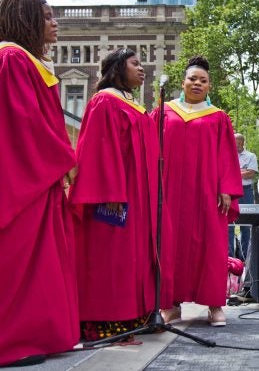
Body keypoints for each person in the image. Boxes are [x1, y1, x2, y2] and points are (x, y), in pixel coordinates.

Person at [69, 48, 175, 341]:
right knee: (112, 258)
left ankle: (136, 315)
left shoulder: (133, 105)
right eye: (135, 63)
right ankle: (108, 322)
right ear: (118, 67)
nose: (141, 69)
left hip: (140, 197)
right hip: (115, 198)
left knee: (135, 257)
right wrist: (110, 192)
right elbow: (97, 150)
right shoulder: (104, 101)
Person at [0, 0, 79, 367]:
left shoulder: (28, 61)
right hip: (22, 178)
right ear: (27, 20)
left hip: (41, 178)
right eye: (47, 17)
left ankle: (39, 334)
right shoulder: (11, 57)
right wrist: (65, 157)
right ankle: (9, 343)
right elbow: (22, 123)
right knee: (18, 261)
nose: (55, 22)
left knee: (42, 265)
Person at [151, 56, 242, 327]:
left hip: (206, 192)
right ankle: (172, 304)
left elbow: (227, 155)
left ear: (209, 86)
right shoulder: (163, 111)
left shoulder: (218, 118)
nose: (197, 83)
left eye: (203, 80)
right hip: (170, 191)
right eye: (192, 79)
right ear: (183, 82)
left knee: (211, 247)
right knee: (170, 245)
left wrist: (226, 188)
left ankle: (214, 305)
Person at [229, 133, 257, 261]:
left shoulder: (251, 156)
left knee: (246, 225)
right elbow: (224, 172)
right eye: (236, 142)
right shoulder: (227, 155)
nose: (238, 144)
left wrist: (233, 172)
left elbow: (250, 173)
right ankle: (229, 257)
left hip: (246, 191)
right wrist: (241, 170)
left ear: (243, 142)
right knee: (229, 225)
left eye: (240, 142)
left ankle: (246, 257)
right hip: (230, 191)